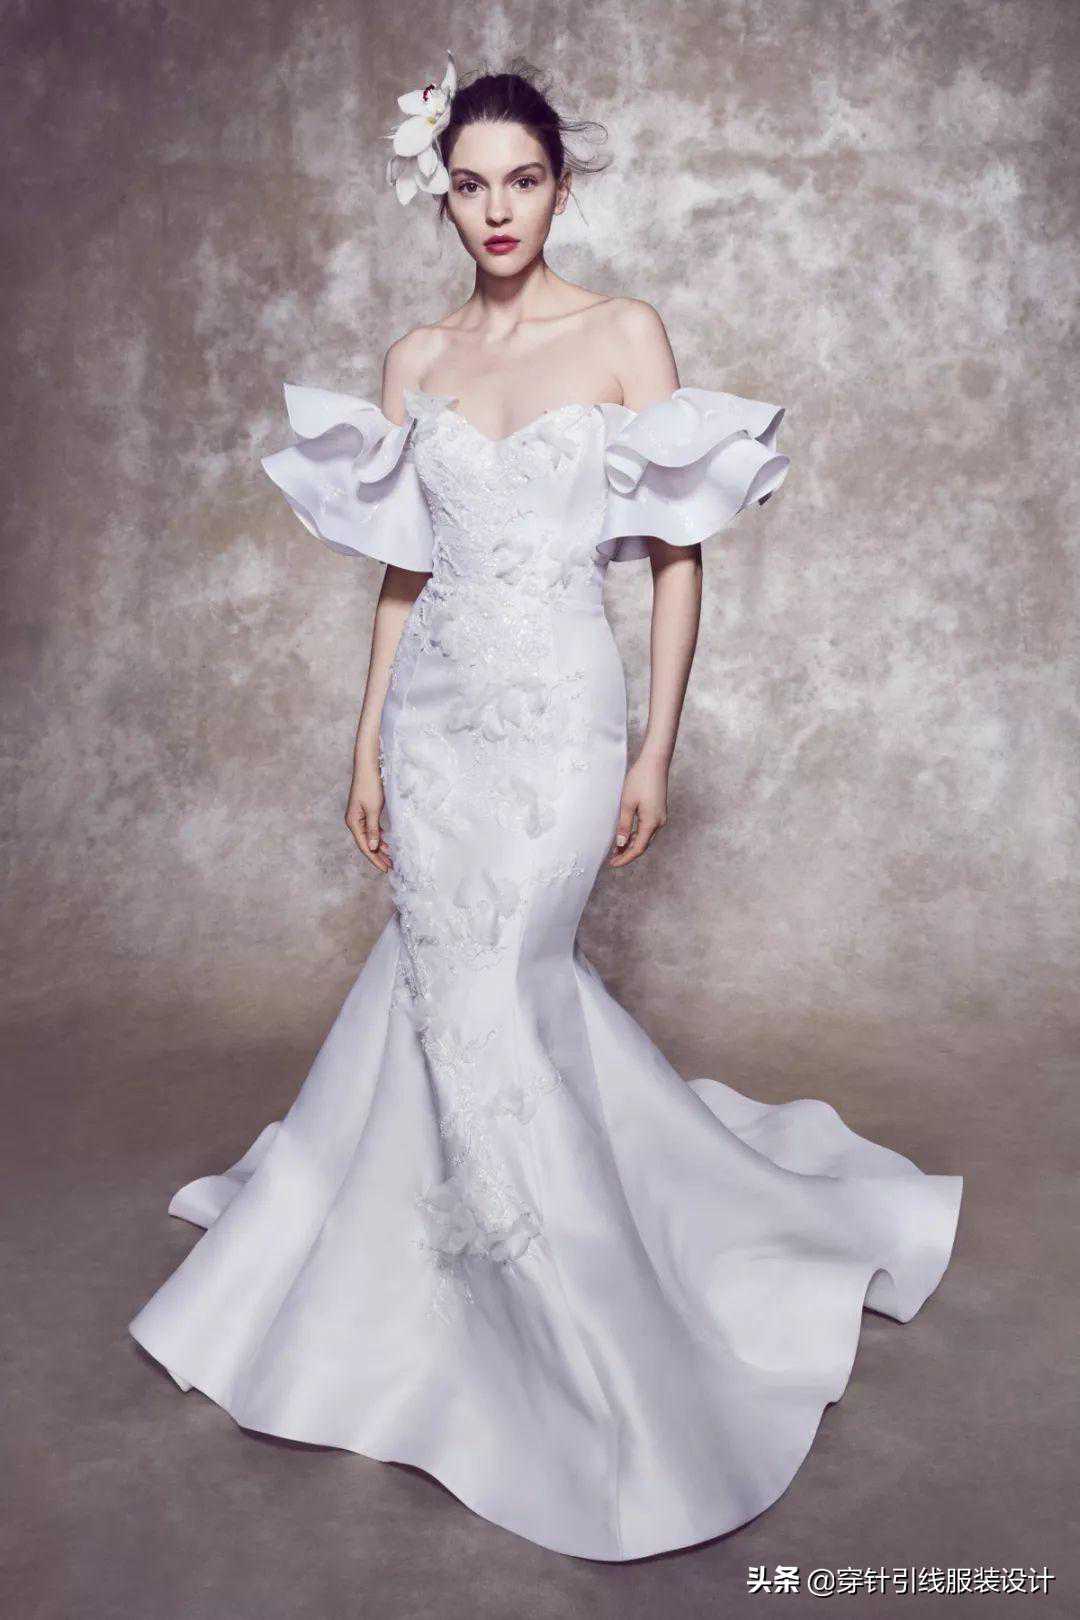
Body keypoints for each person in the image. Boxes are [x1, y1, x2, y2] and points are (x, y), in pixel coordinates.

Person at [128, 50, 963, 1562]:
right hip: (438, 725)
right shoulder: (417, 359)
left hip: (564, 719)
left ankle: (579, 1330)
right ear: (441, 198)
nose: (497, 209)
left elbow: (677, 557)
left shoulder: (624, 333)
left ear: (562, 187)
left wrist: (652, 749)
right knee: (447, 980)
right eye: (470, 186)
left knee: (504, 974)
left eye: (523, 180)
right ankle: (428, 1307)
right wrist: (367, 746)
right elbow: (404, 573)